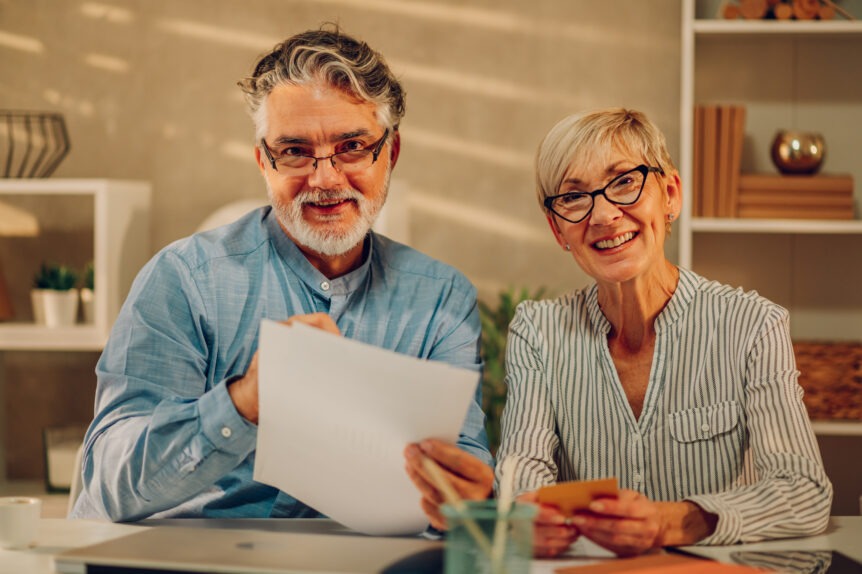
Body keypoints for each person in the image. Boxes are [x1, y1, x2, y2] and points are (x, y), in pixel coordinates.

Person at [71, 25, 493, 524]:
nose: (325, 179)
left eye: (352, 146)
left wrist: (466, 498)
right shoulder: (183, 279)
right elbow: (108, 484)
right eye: (294, 151)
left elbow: (466, 471)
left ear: (391, 154)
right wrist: (243, 404)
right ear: (263, 162)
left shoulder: (442, 300)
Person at [496, 108, 832, 557]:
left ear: (670, 194)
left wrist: (672, 521)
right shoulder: (537, 333)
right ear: (558, 229)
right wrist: (526, 518)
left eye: (624, 182)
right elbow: (522, 483)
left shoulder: (752, 325)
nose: (604, 214)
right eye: (574, 198)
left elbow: (804, 491)